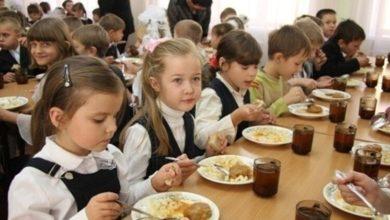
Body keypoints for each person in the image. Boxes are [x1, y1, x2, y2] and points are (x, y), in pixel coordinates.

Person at [8, 56, 182, 219]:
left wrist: (153, 184)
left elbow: (124, 203)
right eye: (98, 120)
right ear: (59, 118)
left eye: (114, 116)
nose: (113, 127)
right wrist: (86, 217)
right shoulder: (33, 183)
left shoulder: (110, 155)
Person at [120, 38, 227, 182]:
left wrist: (208, 155)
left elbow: (187, 164)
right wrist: (155, 183)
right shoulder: (141, 133)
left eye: (195, 79)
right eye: (178, 80)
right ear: (156, 84)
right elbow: (128, 195)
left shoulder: (188, 119)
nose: (189, 89)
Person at [0, 17, 74, 145]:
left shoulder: (65, 77)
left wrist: (6, 116)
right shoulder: (58, 71)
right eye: (33, 44)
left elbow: (51, 125)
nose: (37, 51)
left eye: (45, 44)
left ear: (64, 44)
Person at [196, 30, 274, 143]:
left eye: (255, 67)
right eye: (245, 67)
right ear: (223, 64)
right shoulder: (211, 94)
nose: (252, 73)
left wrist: (256, 120)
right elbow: (200, 138)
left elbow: (240, 130)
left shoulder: (243, 88)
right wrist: (235, 118)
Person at [249, 25, 313, 117]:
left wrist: (302, 100)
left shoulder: (282, 78)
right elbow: (256, 120)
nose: (299, 69)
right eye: (297, 63)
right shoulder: (256, 83)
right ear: (279, 58)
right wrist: (285, 101)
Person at [294, 17, 332, 88]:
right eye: (312, 49)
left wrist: (316, 81)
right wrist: (316, 84)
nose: (313, 55)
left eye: (316, 49)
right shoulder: (292, 65)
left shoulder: (305, 65)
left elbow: (304, 86)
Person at [0, 16, 32, 83]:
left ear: (18, 35)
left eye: (5, 35)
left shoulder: (30, 48)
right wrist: (3, 77)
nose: (1, 39)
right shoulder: (1, 54)